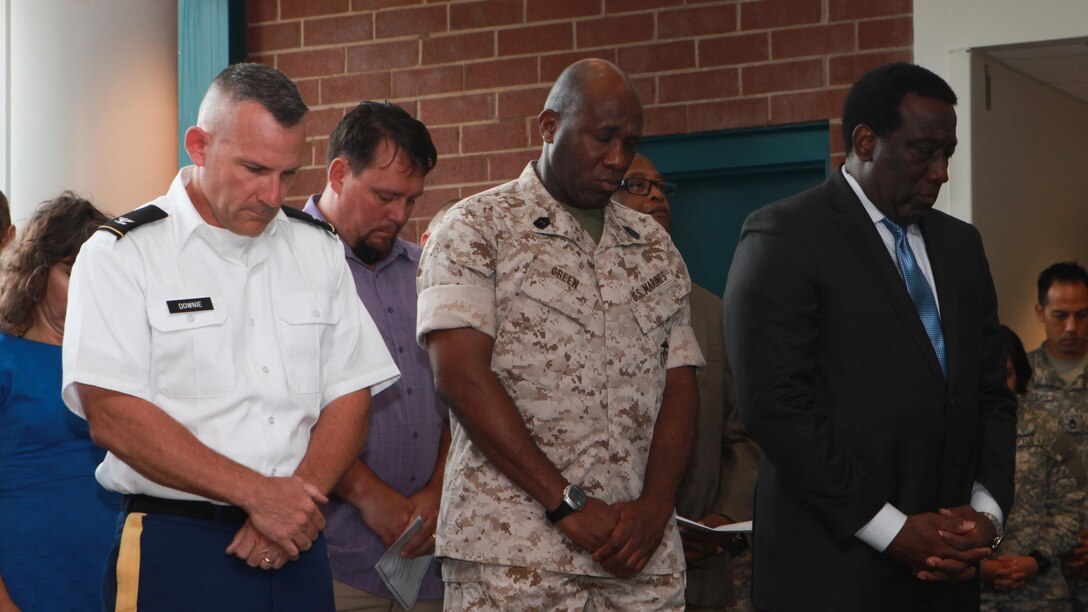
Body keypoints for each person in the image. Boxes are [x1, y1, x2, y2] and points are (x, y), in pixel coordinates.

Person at [61, 63, 400, 611]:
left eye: (288, 175)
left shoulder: (315, 247)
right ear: (199, 145)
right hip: (179, 542)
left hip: (297, 543)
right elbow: (112, 411)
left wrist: (291, 505)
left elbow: (351, 393)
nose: (271, 195)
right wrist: (257, 495)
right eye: (254, 169)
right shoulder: (124, 252)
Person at [724, 61, 1017, 610]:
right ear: (864, 140)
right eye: (923, 151)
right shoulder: (785, 235)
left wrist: (986, 516)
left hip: (947, 576)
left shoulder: (961, 247)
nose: (940, 172)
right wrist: (891, 529)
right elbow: (776, 407)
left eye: (947, 154)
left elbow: (991, 397)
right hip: (833, 574)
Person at [417, 58, 703, 609]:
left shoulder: (654, 245)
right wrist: (565, 503)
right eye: (603, 138)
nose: (618, 159)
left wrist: (655, 508)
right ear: (550, 127)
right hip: (515, 556)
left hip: (637, 556)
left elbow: (682, 383)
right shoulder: (476, 228)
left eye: (630, 141)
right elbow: (458, 376)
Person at [302, 100, 447, 611]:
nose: (400, 216)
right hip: (334, 561)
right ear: (339, 174)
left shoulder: (429, 272)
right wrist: (368, 495)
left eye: (412, 200)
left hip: (431, 558)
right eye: (386, 196)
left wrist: (438, 489)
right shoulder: (283, 264)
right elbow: (279, 411)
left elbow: (462, 393)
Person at [612, 153, 759, 611]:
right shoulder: (577, 301)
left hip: (699, 569)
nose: (656, 194)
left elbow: (744, 434)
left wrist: (723, 519)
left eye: (660, 186)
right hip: (610, 560)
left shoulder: (714, 311)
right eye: (636, 184)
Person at [0, 193, 114, 611]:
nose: (89, 288)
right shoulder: (5, 359)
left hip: (115, 576)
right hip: (27, 579)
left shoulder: (121, 367)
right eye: (72, 272)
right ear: (37, 272)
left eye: (99, 273)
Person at [980, 325, 1084, 611]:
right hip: (974, 595)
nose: (998, 386)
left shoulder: (1045, 430)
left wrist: (1036, 559)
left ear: (1019, 376)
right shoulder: (953, 437)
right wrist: (980, 566)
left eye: (1006, 375)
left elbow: (1071, 507)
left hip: (1042, 594)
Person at [1024, 262, 1088, 604]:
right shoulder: (1018, 380)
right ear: (1040, 311)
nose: (1072, 327)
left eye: (1082, 315)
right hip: (1038, 560)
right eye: (1060, 315)